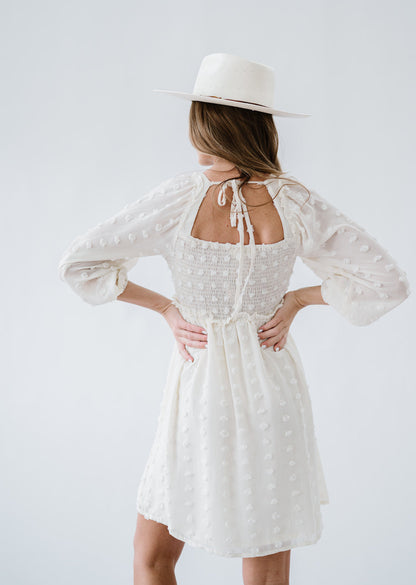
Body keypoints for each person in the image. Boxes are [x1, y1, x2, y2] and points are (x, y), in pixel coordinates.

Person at [57, 53, 411, 585]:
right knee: (264, 567)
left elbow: (79, 263)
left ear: (223, 129)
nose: (195, 139)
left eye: (203, 126)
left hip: (198, 388)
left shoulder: (181, 198)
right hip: (273, 390)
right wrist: (297, 300)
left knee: (152, 557)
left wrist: (168, 308)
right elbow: (388, 283)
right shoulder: (296, 203)